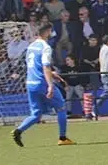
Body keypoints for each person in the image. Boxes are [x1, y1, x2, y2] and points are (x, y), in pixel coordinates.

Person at [11, 19, 73, 147]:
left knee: (36, 114)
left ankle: (18, 130)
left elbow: (34, 66)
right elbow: (45, 66)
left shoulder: (31, 46)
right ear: (48, 32)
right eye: (51, 31)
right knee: (61, 108)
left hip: (30, 83)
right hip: (42, 83)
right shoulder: (46, 47)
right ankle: (62, 138)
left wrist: (51, 73)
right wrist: (50, 85)